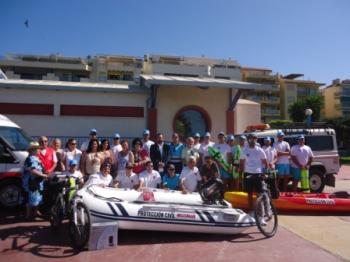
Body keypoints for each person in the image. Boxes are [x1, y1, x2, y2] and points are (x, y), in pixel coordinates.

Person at [239, 133, 268, 213]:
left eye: (254, 138)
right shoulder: (244, 150)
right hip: (248, 173)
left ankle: (260, 210)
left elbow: (265, 162)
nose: (253, 140)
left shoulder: (260, 150)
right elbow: (241, 163)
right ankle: (251, 209)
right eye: (251, 138)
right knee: (249, 193)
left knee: (260, 193)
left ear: (256, 140)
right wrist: (240, 176)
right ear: (248, 140)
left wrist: (265, 173)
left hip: (258, 173)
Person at [22, 141, 48, 220]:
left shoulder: (36, 158)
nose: (39, 150)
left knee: (37, 198)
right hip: (31, 182)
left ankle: (35, 213)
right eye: (38, 149)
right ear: (33, 150)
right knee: (31, 199)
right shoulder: (30, 159)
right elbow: (32, 171)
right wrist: (43, 175)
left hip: (37, 182)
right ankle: (29, 216)